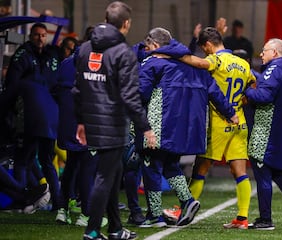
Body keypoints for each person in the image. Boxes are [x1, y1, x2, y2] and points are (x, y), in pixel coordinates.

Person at [138, 27, 238, 228]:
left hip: (159, 126)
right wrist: (230, 113)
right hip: (184, 129)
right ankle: (188, 200)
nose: (146, 50)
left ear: (155, 45)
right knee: (171, 165)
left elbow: (141, 93)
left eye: (148, 46)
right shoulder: (194, 64)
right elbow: (215, 92)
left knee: (152, 166)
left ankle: (155, 215)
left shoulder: (153, 63)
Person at [74, 2, 156, 240]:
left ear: (106, 19)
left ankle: (116, 229)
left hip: (91, 121)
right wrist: (146, 127)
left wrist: (80, 121)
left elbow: (77, 89)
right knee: (104, 177)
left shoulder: (85, 48)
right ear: (126, 24)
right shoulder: (123, 52)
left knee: (112, 172)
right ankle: (91, 230)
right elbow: (130, 96)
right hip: (113, 123)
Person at [165, 27, 253, 229]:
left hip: (219, 123)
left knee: (200, 169)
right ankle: (242, 218)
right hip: (239, 122)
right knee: (239, 171)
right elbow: (253, 86)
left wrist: (176, 54)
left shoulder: (217, 60)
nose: (205, 53)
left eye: (205, 49)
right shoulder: (243, 63)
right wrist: (244, 99)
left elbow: (200, 63)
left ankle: (183, 209)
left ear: (209, 46)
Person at [244, 38, 282, 230]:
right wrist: (254, 75)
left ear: (275, 52)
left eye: (264, 51)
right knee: (277, 169)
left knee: (262, 169)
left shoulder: (274, 68)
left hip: (268, 129)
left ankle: (265, 219)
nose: (261, 54)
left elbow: (264, 96)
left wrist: (246, 90)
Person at [1, 22, 62, 212]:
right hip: (40, 112)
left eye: (43, 35)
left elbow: (12, 88)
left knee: (26, 159)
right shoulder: (24, 55)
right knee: (38, 159)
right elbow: (13, 84)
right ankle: (53, 202)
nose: (40, 38)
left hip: (36, 114)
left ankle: (24, 201)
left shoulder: (50, 56)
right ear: (30, 36)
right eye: (37, 35)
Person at [55, 48, 107, 228]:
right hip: (86, 125)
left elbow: (55, 90)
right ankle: (86, 214)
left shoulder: (65, 63)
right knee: (88, 170)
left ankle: (62, 209)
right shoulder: (96, 65)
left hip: (66, 125)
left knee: (70, 167)